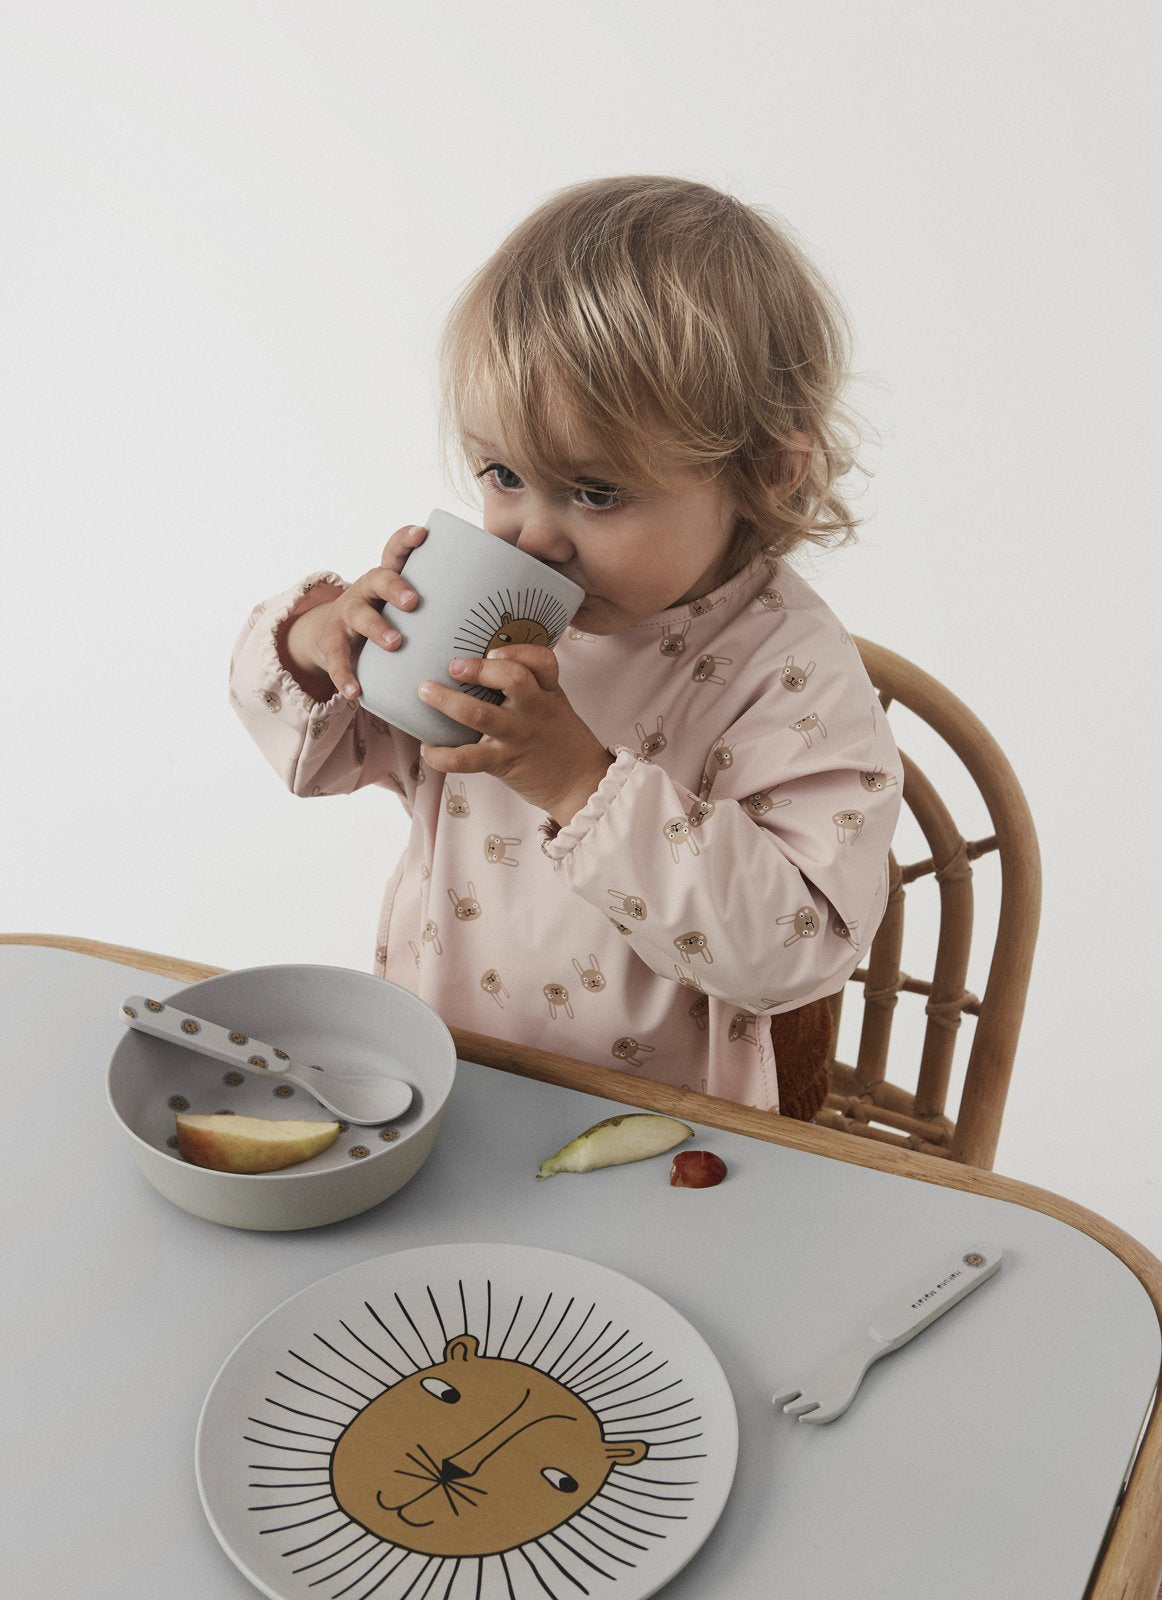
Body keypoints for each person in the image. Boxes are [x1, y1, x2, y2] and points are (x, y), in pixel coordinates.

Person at [229, 174, 902, 1113]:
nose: (529, 539)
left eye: (594, 492)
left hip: (677, 1124)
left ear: (767, 479)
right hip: (453, 1074)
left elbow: (792, 950)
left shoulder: (789, 677)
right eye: (502, 474)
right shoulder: (490, 611)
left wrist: (579, 781)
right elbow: (325, 759)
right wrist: (325, 642)